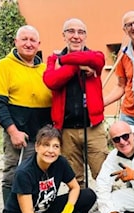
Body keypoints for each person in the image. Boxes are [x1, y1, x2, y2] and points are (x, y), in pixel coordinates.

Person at [2, 124, 97, 213]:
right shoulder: (24, 172)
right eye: (46, 145)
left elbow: (75, 187)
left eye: (56, 146)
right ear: (36, 147)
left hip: (45, 208)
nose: (51, 151)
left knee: (87, 195)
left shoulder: (60, 163)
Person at [43, 18, 109, 187]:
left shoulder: (96, 55)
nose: (76, 36)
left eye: (81, 32)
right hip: (67, 130)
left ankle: (111, 209)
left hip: (93, 128)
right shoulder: (52, 59)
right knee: (74, 177)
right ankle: (80, 210)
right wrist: (78, 66)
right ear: (63, 35)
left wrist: (65, 61)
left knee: (103, 173)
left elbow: (98, 61)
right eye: (71, 31)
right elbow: (51, 81)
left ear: (85, 36)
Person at [0, 25, 52, 206]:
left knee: (38, 176)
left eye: (32, 40)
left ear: (38, 44)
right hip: (18, 134)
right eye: (24, 39)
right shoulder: (4, 66)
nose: (28, 44)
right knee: (13, 174)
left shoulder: (44, 69)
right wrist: (13, 131)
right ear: (16, 42)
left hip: (41, 135)